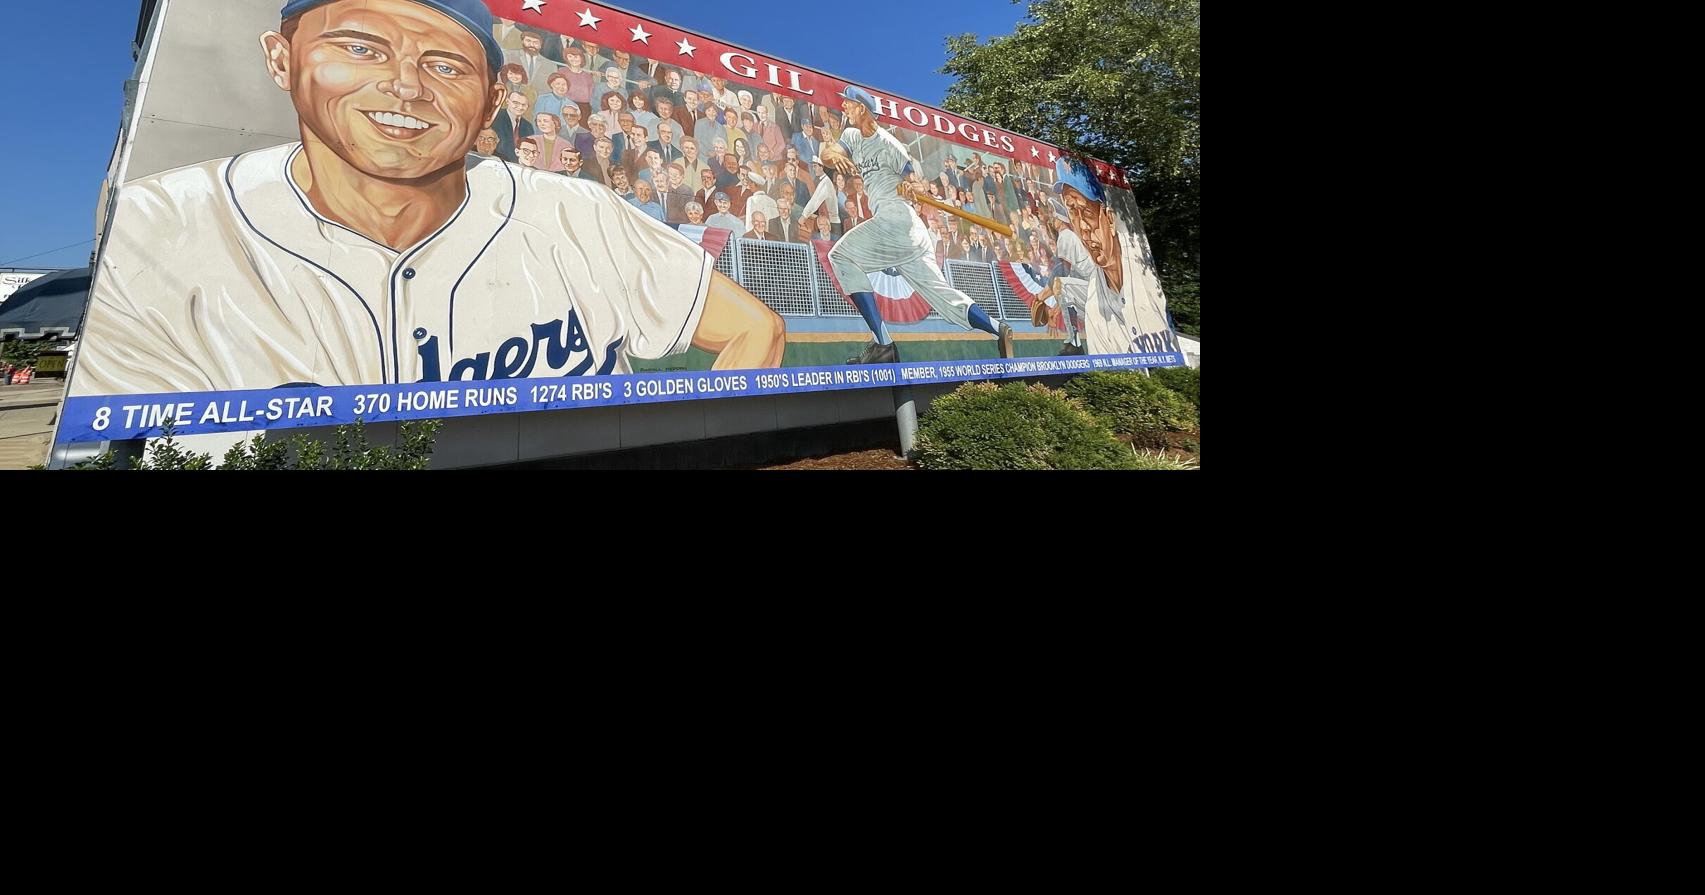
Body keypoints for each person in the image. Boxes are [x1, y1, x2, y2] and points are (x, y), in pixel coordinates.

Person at [70, 0, 785, 396]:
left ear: (491, 102)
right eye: (361, 47)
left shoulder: (575, 211)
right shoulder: (167, 222)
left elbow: (757, 330)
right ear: (281, 59)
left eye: (444, 64)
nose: (408, 86)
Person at [818, 87, 1010, 363]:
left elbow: (913, 180)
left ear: (861, 108)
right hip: (906, 233)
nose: (844, 108)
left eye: (847, 104)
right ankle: (998, 329)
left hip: (897, 219)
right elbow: (830, 153)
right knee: (943, 298)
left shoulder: (890, 144)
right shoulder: (850, 135)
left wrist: (910, 187)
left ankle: (883, 344)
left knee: (840, 256)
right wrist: (830, 155)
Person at [1038, 157, 1175, 358]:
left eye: (1086, 211)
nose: (1083, 227)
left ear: (1109, 218)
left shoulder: (1137, 262)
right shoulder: (1095, 311)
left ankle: (1074, 339)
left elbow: (1062, 271)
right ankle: (1074, 339)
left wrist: (1046, 301)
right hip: (1090, 287)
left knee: (1062, 284)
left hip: (1087, 282)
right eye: (1073, 213)